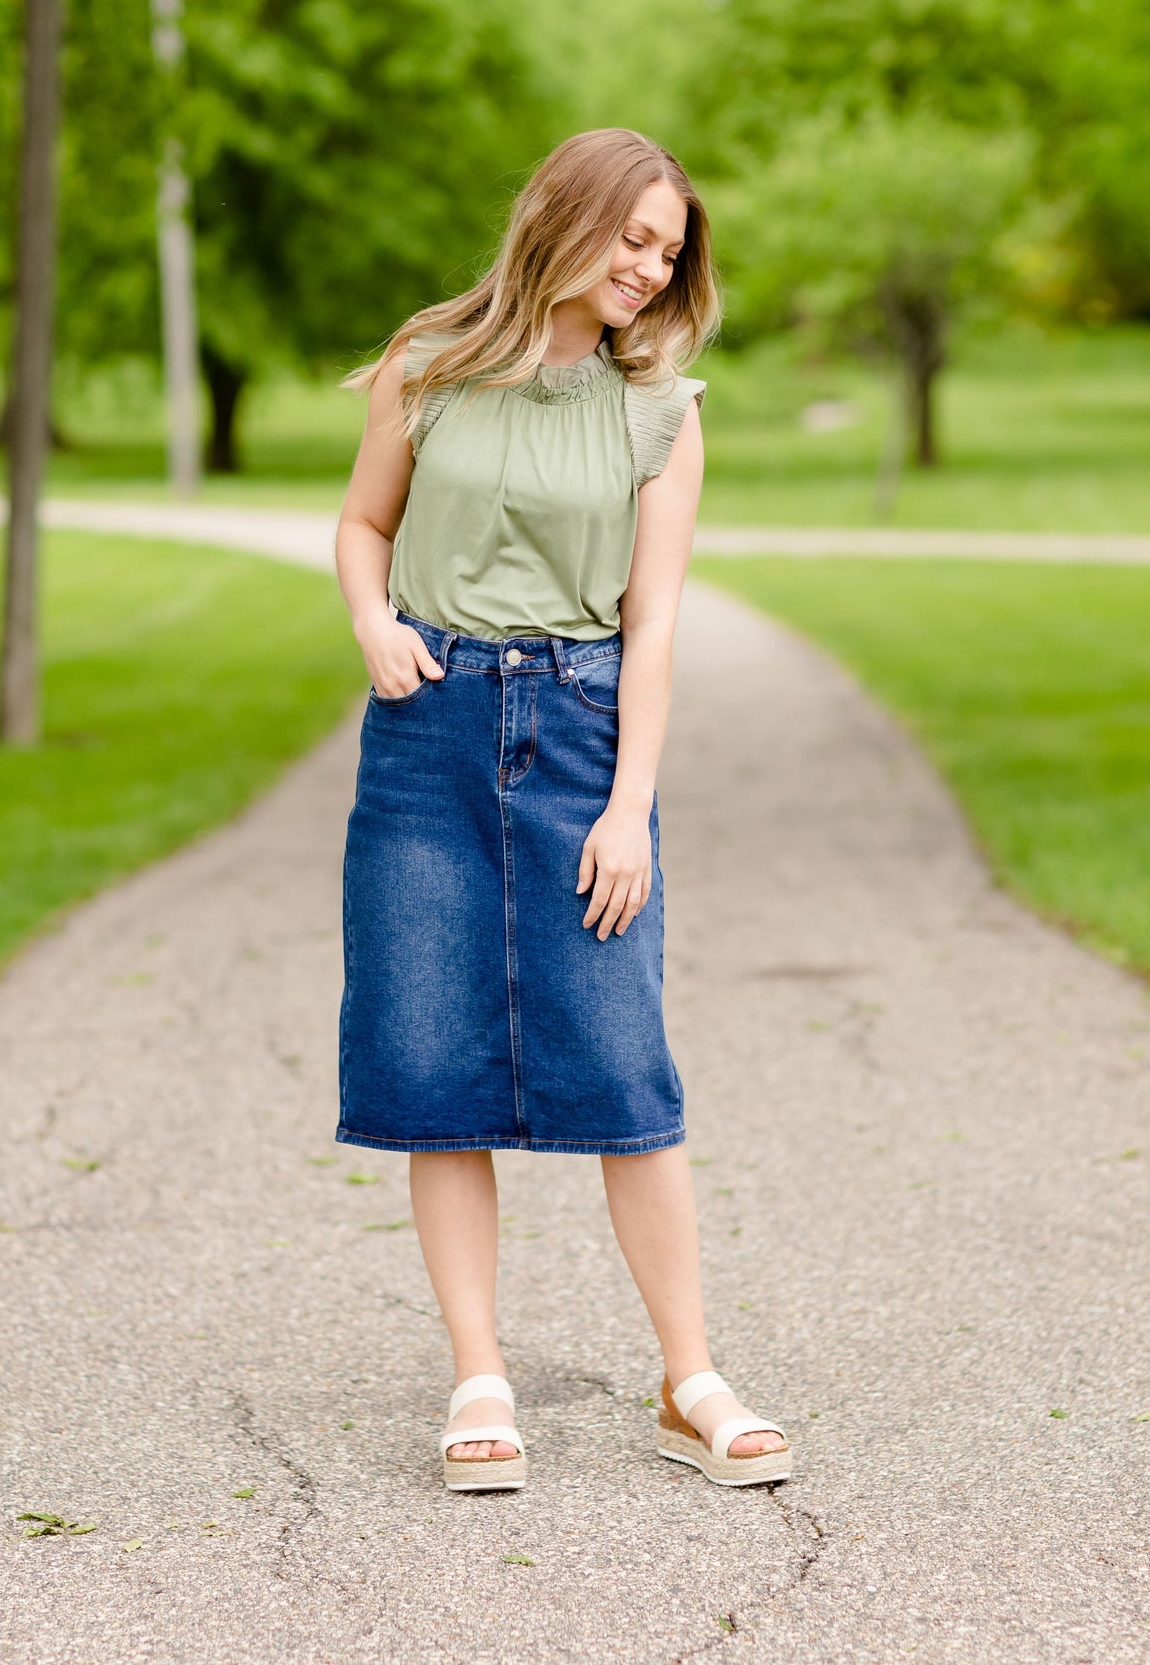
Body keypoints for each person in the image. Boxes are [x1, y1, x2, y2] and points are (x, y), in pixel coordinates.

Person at [333, 129, 791, 1492]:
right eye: (633, 238)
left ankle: (688, 1378)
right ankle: (479, 1377)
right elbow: (363, 524)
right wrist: (370, 622)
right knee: (430, 1063)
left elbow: (651, 627)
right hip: (428, 733)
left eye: (668, 250)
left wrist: (625, 807)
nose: (651, 269)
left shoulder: (658, 407)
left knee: (619, 1062)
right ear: (561, 215)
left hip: (584, 734)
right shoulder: (428, 364)